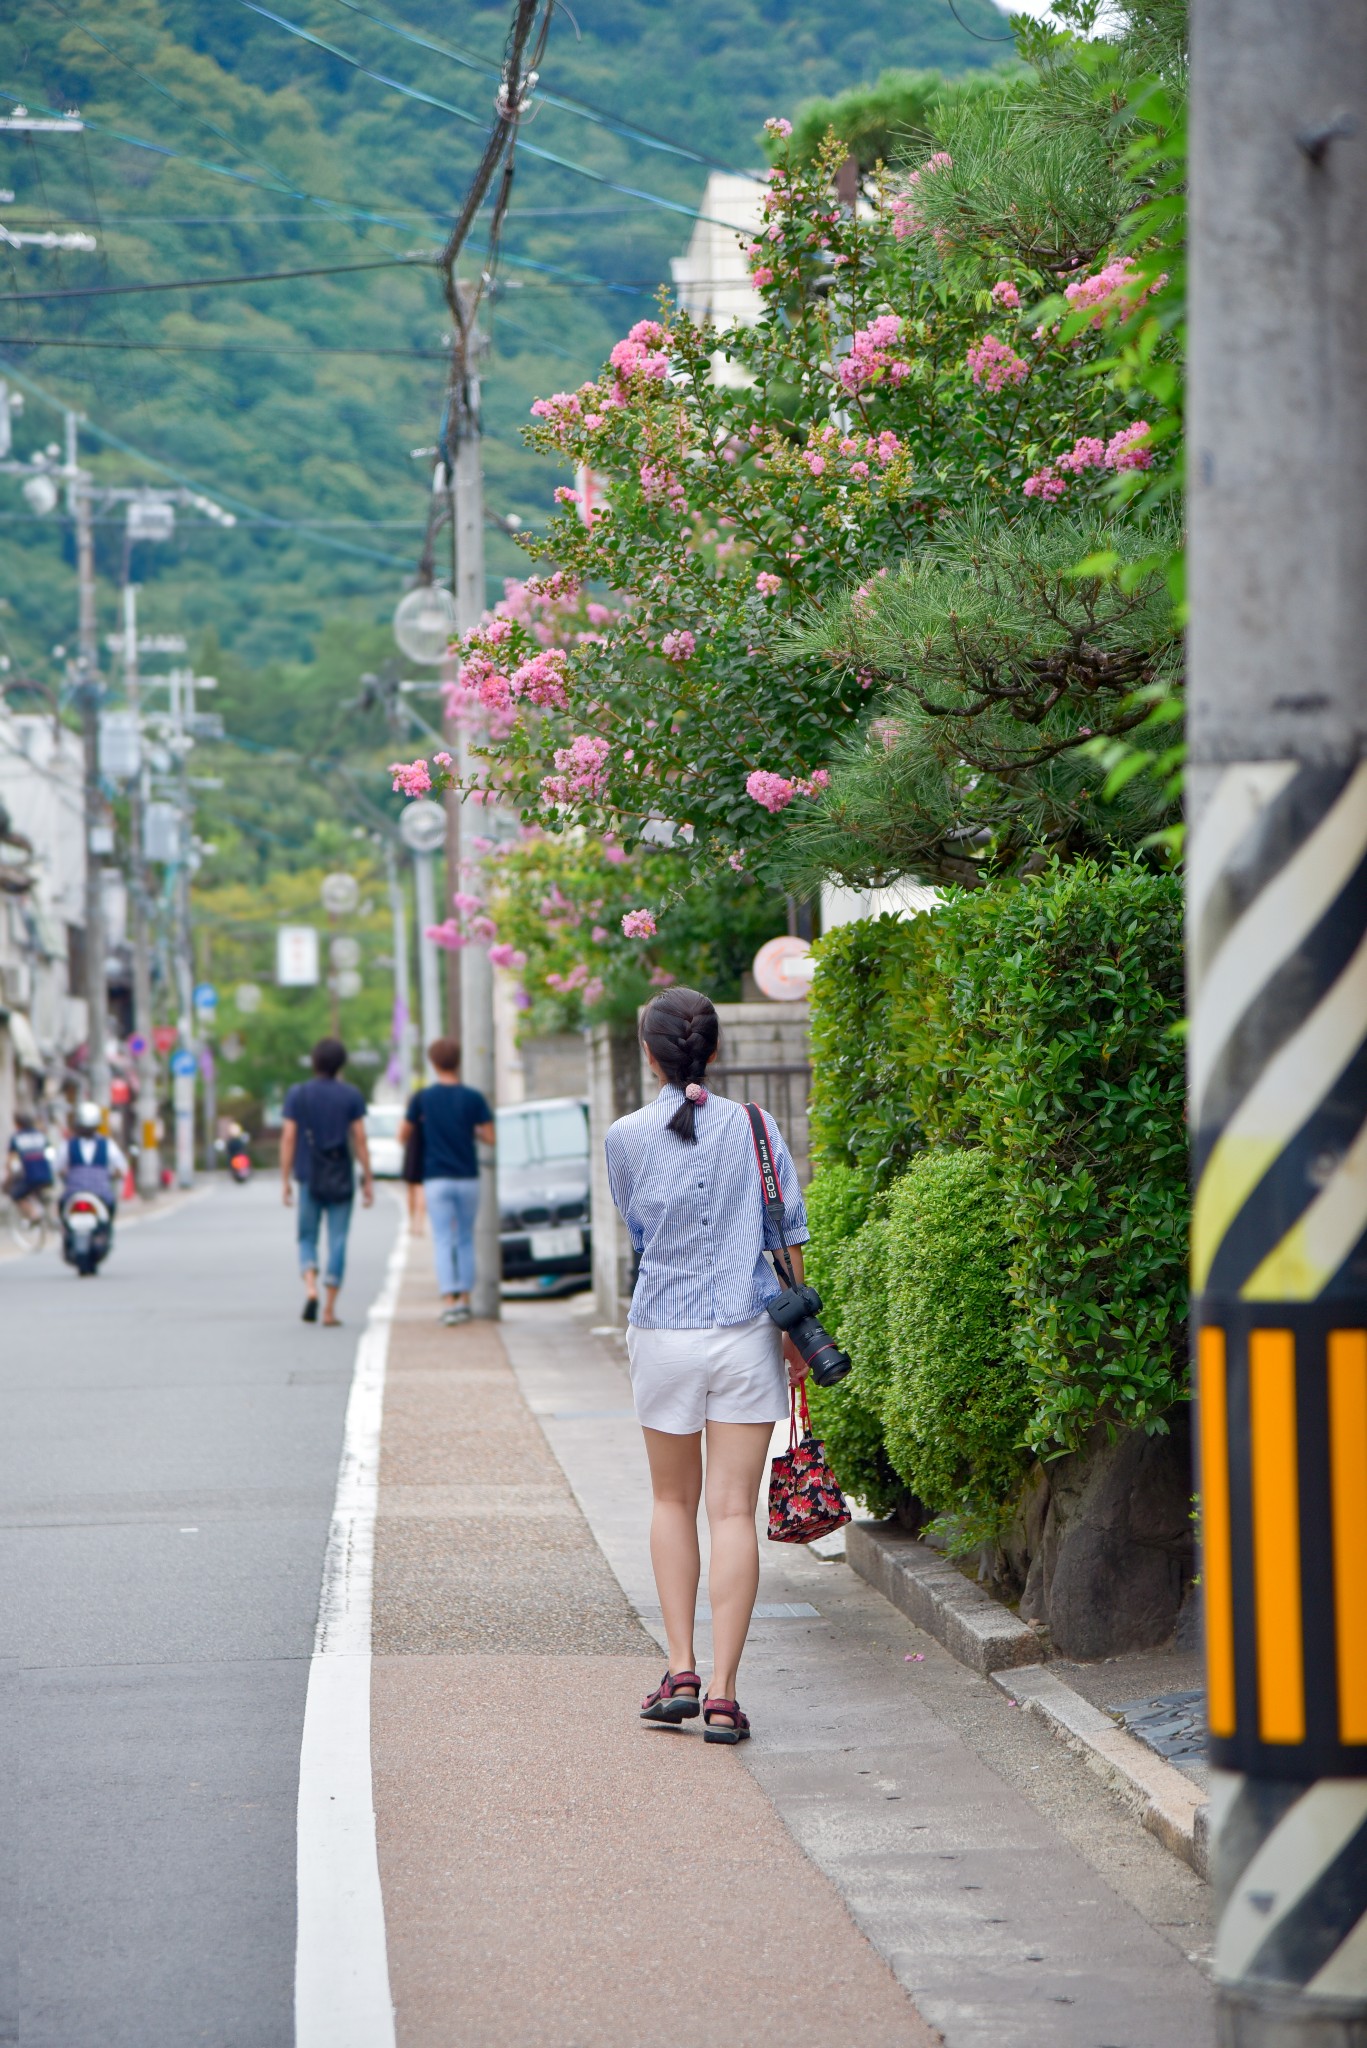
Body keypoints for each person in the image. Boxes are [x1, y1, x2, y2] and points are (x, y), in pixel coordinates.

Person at [605, 987, 809, 1748]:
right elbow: (787, 1235)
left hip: (663, 1332)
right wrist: (794, 1339)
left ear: (649, 1055)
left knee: (670, 1501)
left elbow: (636, 1230)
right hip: (746, 1331)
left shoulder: (624, 1137)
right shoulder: (757, 1128)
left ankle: (680, 1669)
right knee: (731, 1511)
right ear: (713, 1052)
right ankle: (723, 1694)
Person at [399, 1036, 494, 1326]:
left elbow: (402, 1135)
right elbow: (490, 1137)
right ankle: (465, 1300)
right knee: (465, 1238)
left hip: (436, 1178)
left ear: (433, 1062)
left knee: (442, 1239)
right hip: (467, 1177)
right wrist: (470, 1133)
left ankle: (449, 1301)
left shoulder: (422, 1099)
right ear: (458, 1061)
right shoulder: (473, 1097)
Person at [280, 1038, 374, 1326]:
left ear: (314, 1062)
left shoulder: (298, 1094)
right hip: (341, 1177)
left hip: (309, 1176)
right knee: (338, 1240)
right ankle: (330, 1309)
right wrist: (367, 1178)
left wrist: (285, 1179)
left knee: (307, 1236)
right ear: (340, 1064)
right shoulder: (351, 1095)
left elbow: (288, 1137)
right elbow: (359, 1138)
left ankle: (310, 1286)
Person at [61, 1101, 128, 1217]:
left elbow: (56, 1167)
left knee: (62, 1204)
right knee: (111, 1205)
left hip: (73, 1193)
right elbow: (121, 1167)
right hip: (101, 1194)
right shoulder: (107, 1144)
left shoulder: (68, 1144)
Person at [7, 1111, 55, 1217]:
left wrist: (9, 1179)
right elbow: (50, 1154)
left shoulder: (17, 1137)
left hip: (30, 1177)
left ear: (18, 1124)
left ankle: (33, 1215)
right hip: (47, 1176)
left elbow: (10, 1162)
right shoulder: (41, 1135)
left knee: (15, 1195)